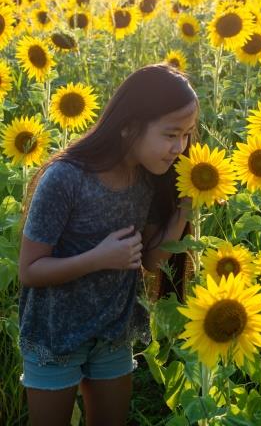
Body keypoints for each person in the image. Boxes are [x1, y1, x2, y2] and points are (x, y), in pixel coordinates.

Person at [18, 63, 198, 426]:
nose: (180, 147)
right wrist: (99, 258)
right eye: (171, 134)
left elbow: (151, 260)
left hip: (113, 334)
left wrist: (184, 210)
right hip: (55, 339)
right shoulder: (66, 179)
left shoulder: (149, 178)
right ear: (130, 126)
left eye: (187, 135)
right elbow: (29, 270)